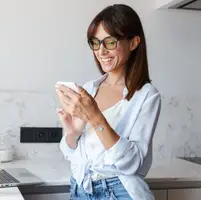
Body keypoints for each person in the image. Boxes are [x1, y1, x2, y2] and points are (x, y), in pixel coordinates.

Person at [55, 4, 161, 200]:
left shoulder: (146, 96)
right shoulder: (89, 89)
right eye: (95, 42)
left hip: (119, 192)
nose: (101, 51)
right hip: (80, 189)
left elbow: (132, 163)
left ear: (133, 42)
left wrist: (96, 119)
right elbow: (70, 153)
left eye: (110, 42)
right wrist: (73, 132)